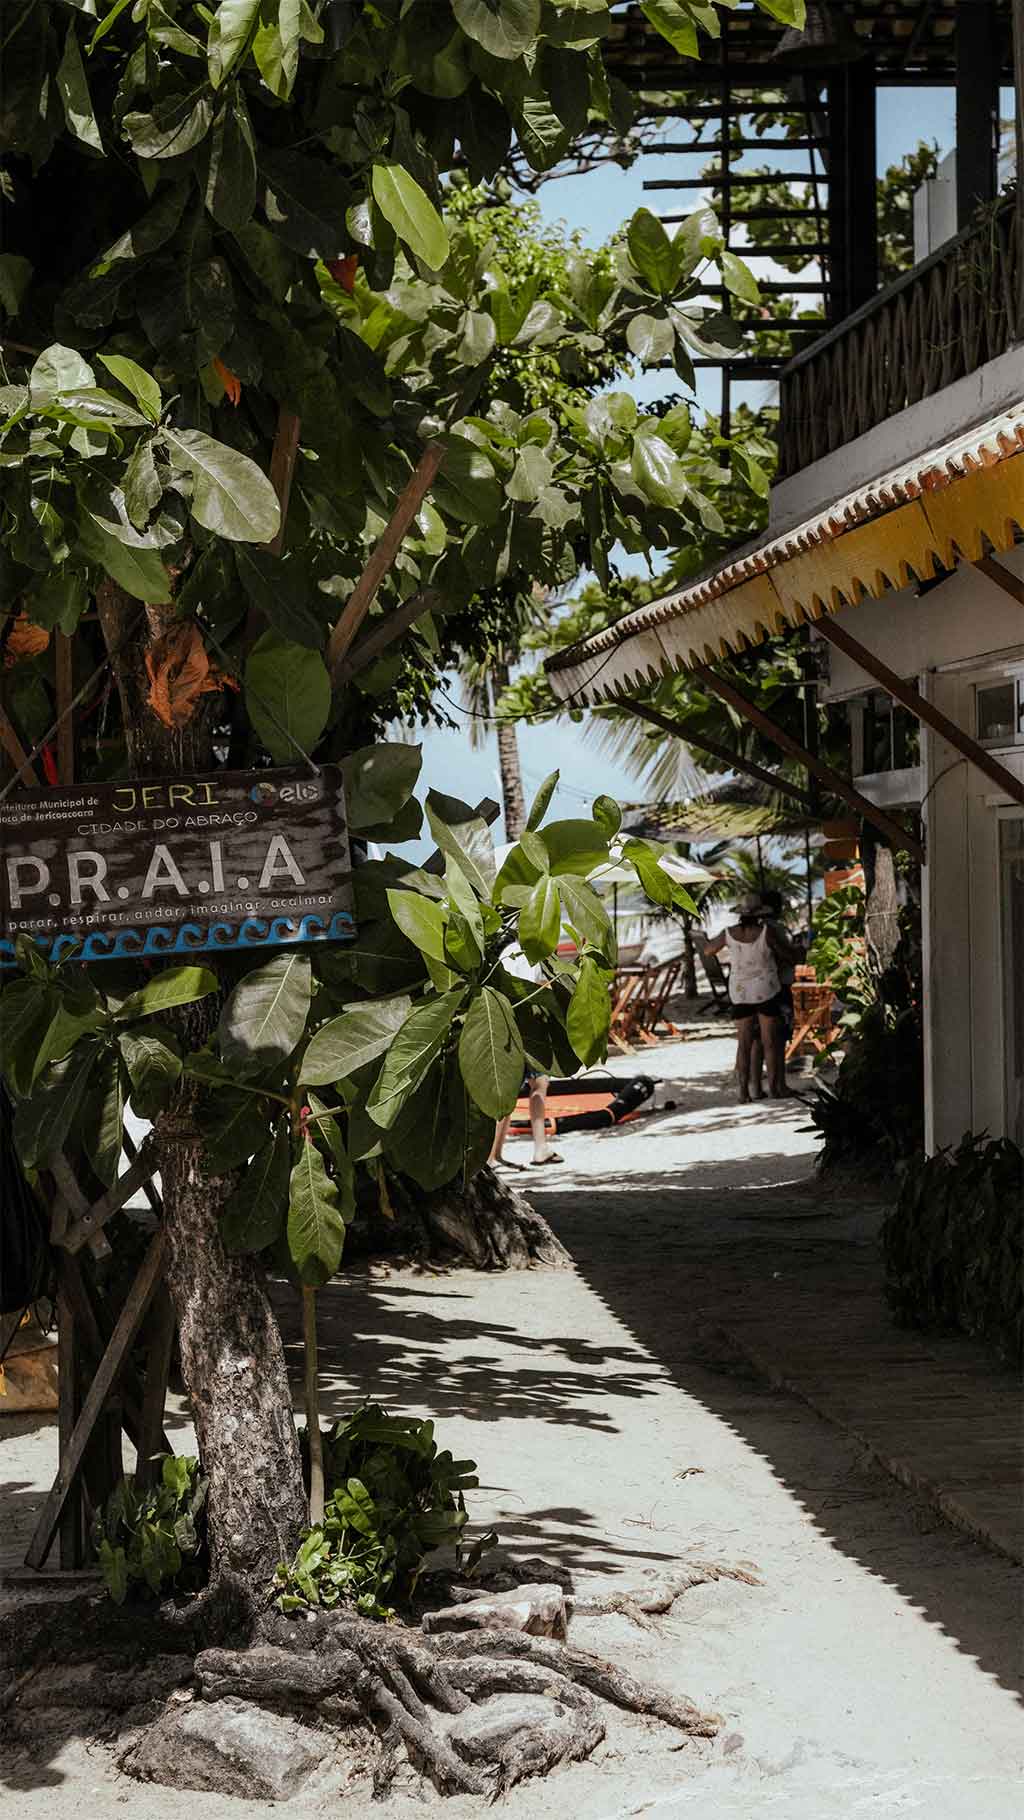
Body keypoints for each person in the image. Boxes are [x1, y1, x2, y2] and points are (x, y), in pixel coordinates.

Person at [702, 895, 796, 1102]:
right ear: (760, 914)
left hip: (740, 991)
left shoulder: (729, 933)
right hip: (766, 990)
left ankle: (743, 1092)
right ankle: (773, 1089)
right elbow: (787, 955)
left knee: (744, 1044)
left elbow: (708, 950)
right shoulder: (766, 932)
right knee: (769, 1042)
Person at [489, 944, 563, 1170]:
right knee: (527, 1088)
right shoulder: (536, 953)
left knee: (526, 1087)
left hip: (513, 1021)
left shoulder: (508, 951)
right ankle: (498, 1155)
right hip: (527, 1025)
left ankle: (501, 1153)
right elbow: (540, 988)